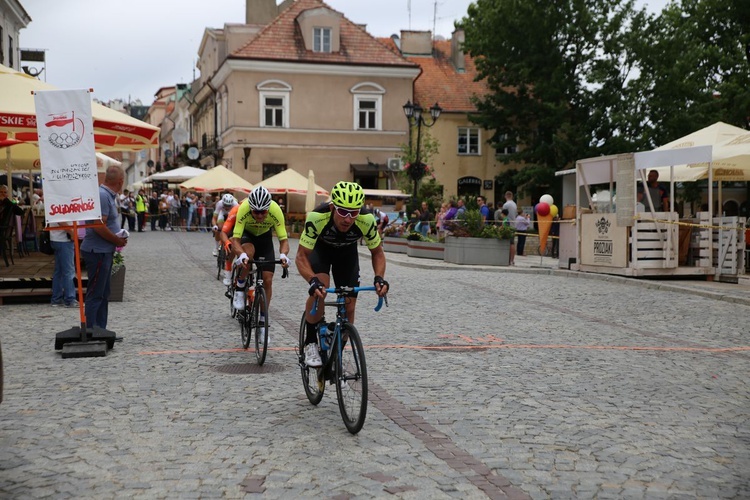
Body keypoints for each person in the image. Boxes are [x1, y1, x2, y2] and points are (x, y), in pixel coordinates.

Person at [296, 181, 389, 368]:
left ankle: (336, 356)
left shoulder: (367, 220)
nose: (348, 219)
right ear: (332, 207)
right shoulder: (317, 217)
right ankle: (311, 342)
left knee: (350, 306)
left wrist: (379, 278)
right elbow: (301, 256)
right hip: (321, 251)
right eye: (343, 212)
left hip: (346, 254)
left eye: (353, 213)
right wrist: (311, 280)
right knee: (321, 286)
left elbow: (377, 252)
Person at [230, 185, 290, 343]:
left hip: (265, 239)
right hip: (247, 236)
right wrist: (240, 254)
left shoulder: (275, 210)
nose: (259, 215)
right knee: (248, 253)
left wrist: (283, 255)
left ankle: (263, 324)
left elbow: (283, 240)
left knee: (268, 280)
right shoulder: (243, 209)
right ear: (250, 208)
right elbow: (235, 240)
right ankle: (240, 286)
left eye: (263, 212)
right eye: (255, 212)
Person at [80, 165, 129, 331]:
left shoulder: (107, 195)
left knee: (103, 292)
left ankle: (101, 329)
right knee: (96, 293)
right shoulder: (102, 196)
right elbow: (97, 225)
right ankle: (92, 329)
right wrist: (116, 239)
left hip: (103, 250)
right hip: (97, 251)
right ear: (120, 181)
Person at [49, 222, 78, 307]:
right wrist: (72, 232)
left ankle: (56, 299)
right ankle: (70, 299)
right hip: (64, 239)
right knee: (68, 270)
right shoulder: (62, 207)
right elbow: (61, 221)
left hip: (57, 238)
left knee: (59, 271)